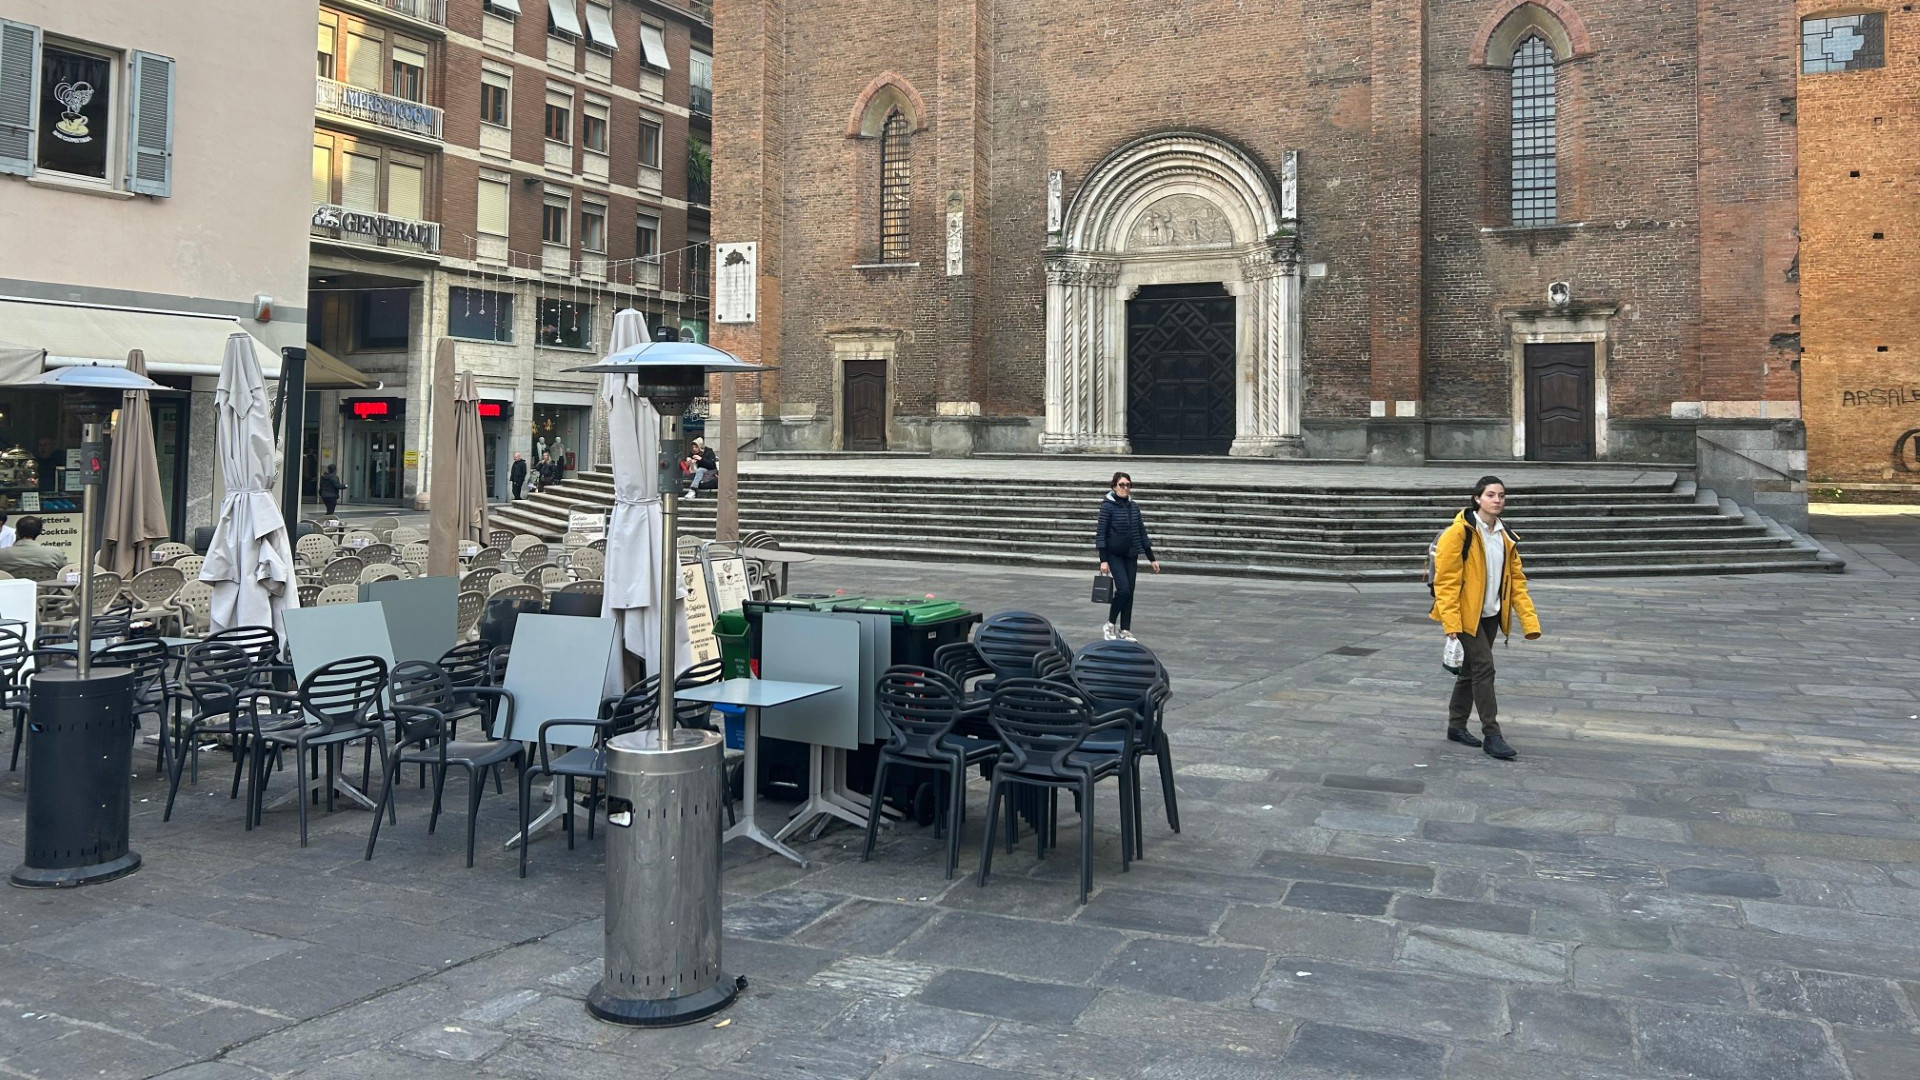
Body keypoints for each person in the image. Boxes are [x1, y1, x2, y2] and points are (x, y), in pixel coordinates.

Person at [1429, 475, 1542, 761]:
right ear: (1477, 498)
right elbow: (1446, 581)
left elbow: (1516, 581)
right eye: (1491, 495)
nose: (1497, 500)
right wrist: (1451, 622)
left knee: (1470, 672)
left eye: (1501, 495)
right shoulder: (1460, 533)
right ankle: (1492, 734)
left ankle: (1456, 726)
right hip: (1466, 615)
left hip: (1491, 614)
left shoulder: (1506, 536)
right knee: (1484, 668)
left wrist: (1530, 622)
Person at [1094, 471, 1159, 641]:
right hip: (1114, 554)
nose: (1125, 488)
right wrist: (1103, 560)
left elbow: (1142, 532)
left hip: (1131, 554)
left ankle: (1125, 630)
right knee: (1122, 589)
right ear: (1114, 486)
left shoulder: (1134, 506)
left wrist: (1151, 558)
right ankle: (1109, 624)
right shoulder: (1107, 506)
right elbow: (1101, 533)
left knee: (1129, 591)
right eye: (1121, 485)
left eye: (1128, 485)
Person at [0, 516, 68, 576]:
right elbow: (66, 574)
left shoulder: (2, 554)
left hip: (13, 590)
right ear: (40, 532)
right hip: (50, 590)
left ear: (16, 532)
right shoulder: (56, 552)